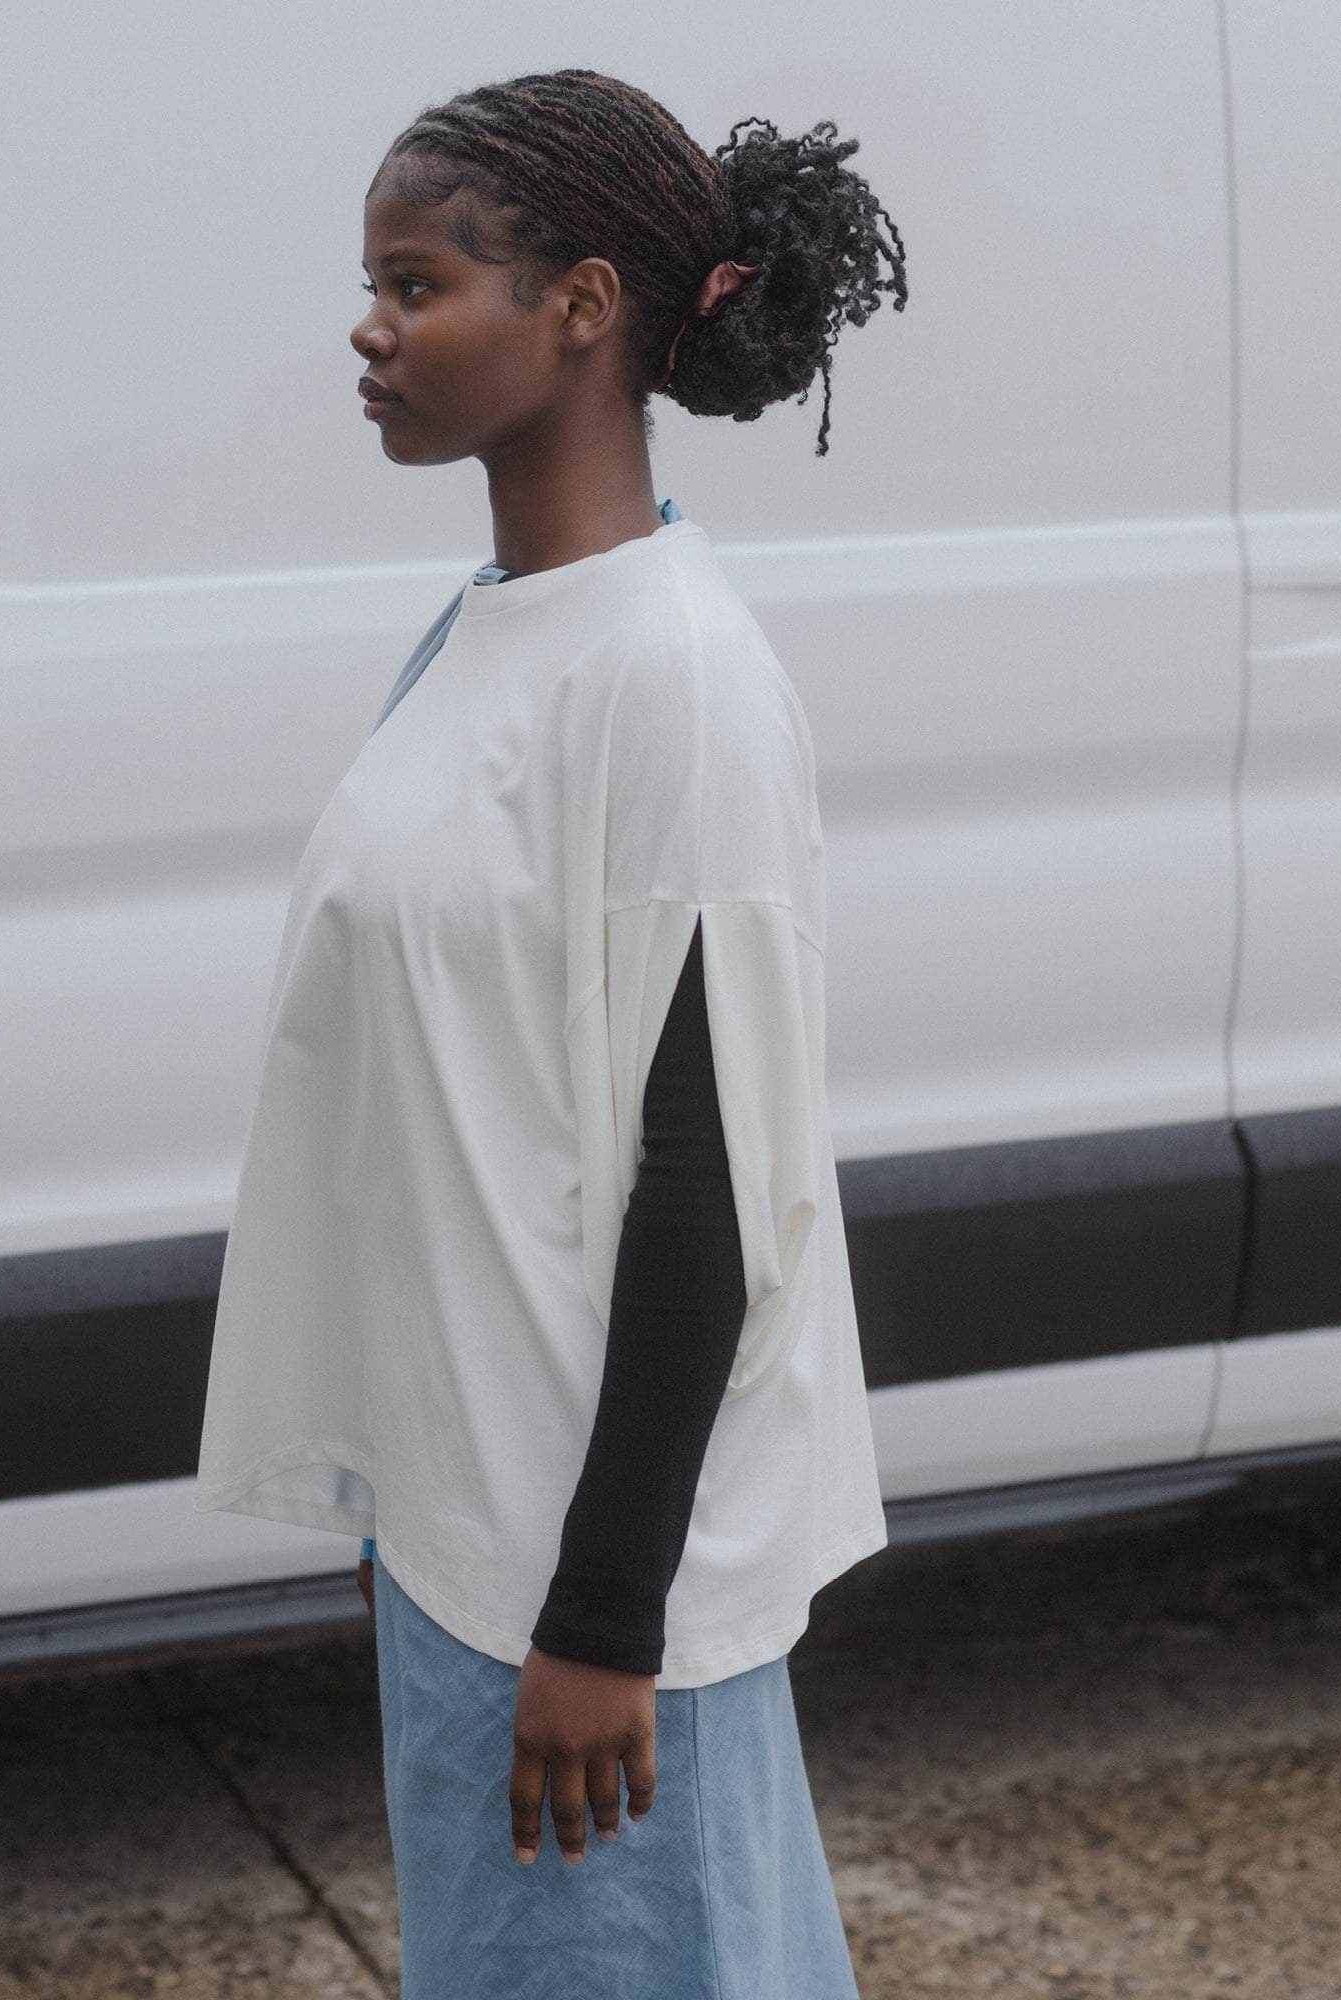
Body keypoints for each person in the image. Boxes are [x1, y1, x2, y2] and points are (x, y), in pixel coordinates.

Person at [195, 66, 908, 1998]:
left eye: (416, 284)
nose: (370, 328)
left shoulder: (674, 677)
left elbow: (710, 1182)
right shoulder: (490, 628)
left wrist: (604, 1624)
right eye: (373, 284)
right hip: (468, 1532)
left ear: (582, 306)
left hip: (596, 1603)